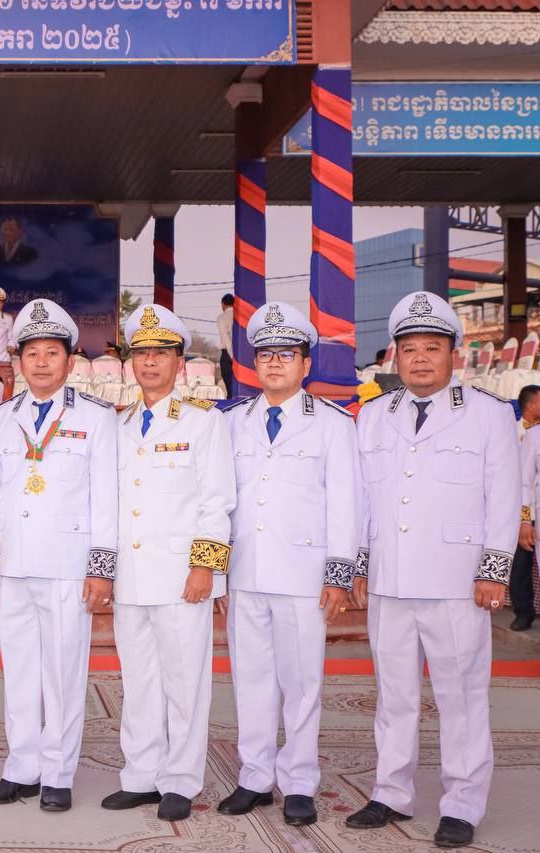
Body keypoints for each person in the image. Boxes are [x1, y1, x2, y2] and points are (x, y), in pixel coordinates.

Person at [347, 291, 520, 849]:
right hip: (390, 580)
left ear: (454, 354)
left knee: (461, 697)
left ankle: (462, 804)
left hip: (457, 582)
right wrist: (359, 565)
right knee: (393, 694)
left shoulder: (490, 414)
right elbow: (361, 501)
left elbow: (504, 499)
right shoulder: (374, 416)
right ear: (394, 356)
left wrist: (494, 570)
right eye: (410, 349)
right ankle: (391, 792)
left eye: (432, 348)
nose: (420, 358)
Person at [217, 302, 360, 826]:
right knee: (251, 680)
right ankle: (255, 776)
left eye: (286, 354)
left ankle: (299, 781)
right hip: (246, 572)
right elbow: (218, 502)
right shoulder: (230, 422)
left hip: (304, 576)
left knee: (302, 683)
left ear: (306, 364)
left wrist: (339, 574)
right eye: (266, 354)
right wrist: (219, 574)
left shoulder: (332, 425)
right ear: (253, 363)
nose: (274, 363)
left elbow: (347, 502)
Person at [102, 304, 235, 823]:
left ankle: (179, 779)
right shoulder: (119, 423)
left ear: (181, 362)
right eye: (142, 353)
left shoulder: (204, 421)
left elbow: (217, 501)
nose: (150, 362)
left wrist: (206, 567)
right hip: (130, 577)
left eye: (161, 353)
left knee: (184, 683)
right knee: (138, 682)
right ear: (130, 362)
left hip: (182, 575)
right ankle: (141, 775)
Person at [0, 299, 117, 813]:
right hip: (14, 565)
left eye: (52, 353)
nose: (41, 363)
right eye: (32, 353)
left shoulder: (97, 418)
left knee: (63, 673)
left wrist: (101, 568)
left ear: (70, 359)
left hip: (68, 565)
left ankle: (58, 772)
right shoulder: (0, 418)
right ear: (18, 359)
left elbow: (106, 497)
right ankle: (22, 767)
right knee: (19, 672)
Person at [513, 385, 540, 632]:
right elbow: (523, 482)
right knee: (521, 565)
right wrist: (524, 520)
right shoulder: (532, 435)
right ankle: (523, 612)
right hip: (531, 514)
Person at [217, 294, 235, 394]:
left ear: (223, 304)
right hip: (241, 353)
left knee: (229, 384)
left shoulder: (222, 317)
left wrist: (231, 355)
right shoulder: (239, 316)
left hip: (227, 353)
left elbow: (225, 336)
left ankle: (232, 400)